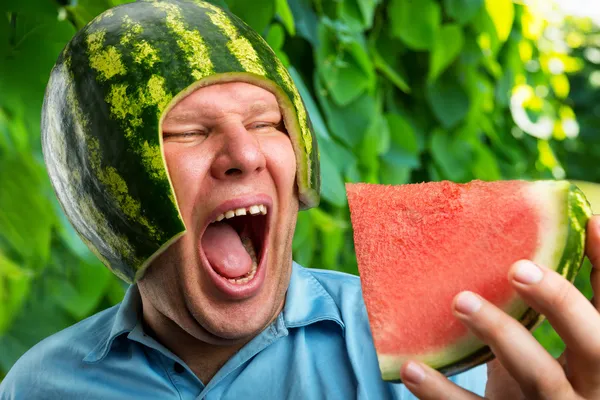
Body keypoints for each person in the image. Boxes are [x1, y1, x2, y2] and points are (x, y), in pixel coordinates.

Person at [2, 1, 600, 399]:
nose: (247, 153)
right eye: (186, 131)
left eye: (267, 122)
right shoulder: (37, 387)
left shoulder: (417, 365)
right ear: (110, 194)